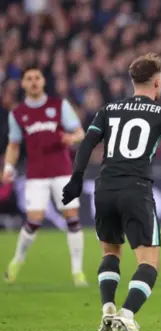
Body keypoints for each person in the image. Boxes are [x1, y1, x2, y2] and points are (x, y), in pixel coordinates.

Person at [60, 53, 161, 331]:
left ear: (133, 81)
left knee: (110, 254)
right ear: (157, 83)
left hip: (105, 187)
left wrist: (75, 178)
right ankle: (127, 314)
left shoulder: (109, 109)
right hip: (136, 189)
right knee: (149, 262)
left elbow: (87, 143)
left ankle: (108, 308)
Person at [3, 66, 87, 286]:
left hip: (62, 171)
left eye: (37, 78)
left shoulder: (58, 106)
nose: (33, 82)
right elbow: (14, 144)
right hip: (36, 174)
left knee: (72, 217)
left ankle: (77, 272)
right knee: (34, 220)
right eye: (28, 78)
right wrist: (9, 168)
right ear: (22, 84)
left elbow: (79, 132)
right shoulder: (18, 113)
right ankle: (17, 260)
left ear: (42, 82)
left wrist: (72, 138)